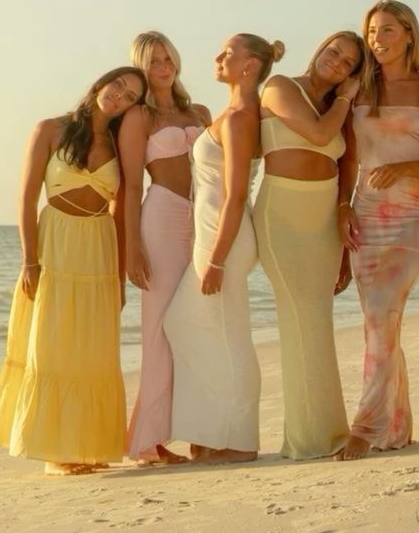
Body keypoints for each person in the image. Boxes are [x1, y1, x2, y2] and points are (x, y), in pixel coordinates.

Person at [0, 66, 146, 475]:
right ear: (101, 83)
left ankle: (88, 448)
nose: (120, 97)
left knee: (94, 353)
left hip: (98, 246)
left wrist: (118, 277)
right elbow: (26, 200)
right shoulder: (49, 129)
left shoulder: (117, 143)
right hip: (56, 242)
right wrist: (30, 260)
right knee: (53, 347)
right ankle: (57, 453)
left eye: (131, 96)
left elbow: (119, 214)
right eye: (119, 86)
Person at [337, 0, 419, 461]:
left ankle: (364, 430)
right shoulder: (358, 89)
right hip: (366, 214)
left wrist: (405, 167)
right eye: (371, 32)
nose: (377, 40)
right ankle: (397, 427)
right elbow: (348, 158)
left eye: (387, 30)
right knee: (379, 324)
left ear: (409, 33)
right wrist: (341, 209)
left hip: (412, 218)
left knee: (382, 317)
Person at [164, 33, 284, 464]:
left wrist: (215, 258)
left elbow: (235, 195)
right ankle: (215, 431)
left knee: (231, 337)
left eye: (228, 53)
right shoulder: (230, 113)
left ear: (250, 66)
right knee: (187, 325)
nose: (217, 57)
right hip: (215, 235)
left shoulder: (238, 119)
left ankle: (240, 441)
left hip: (225, 240)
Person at [253, 31, 364, 460]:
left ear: (353, 72)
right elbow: (319, 136)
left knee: (318, 322)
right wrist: (345, 99)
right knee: (299, 318)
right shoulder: (281, 86)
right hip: (281, 215)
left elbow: (347, 161)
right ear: (319, 48)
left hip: (324, 220)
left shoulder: (339, 109)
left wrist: (343, 211)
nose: (336, 62)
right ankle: (307, 440)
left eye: (348, 62)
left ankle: (328, 431)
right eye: (334, 51)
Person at [122, 31, 211, 465]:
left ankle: (199, 429)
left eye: (167, 56)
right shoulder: (139, 116)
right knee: (159, 330)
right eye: (153, 59)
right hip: (160, 217)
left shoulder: (200, 111)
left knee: (196, 328)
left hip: (202, 221)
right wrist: (131, 247)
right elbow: (131, 184)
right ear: (142, 66)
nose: (163, 65)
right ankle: (148, 442)